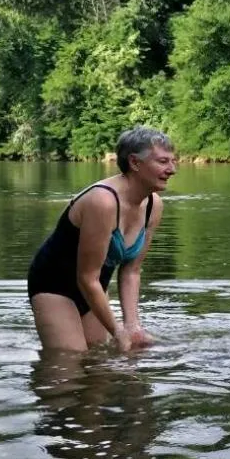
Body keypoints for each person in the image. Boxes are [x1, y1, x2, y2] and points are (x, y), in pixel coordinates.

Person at [28, 126, 176, 354]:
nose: (172, 169)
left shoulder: (153, 206)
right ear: (134, 162)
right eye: (163, 161)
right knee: (70, 360)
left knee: (99, 358)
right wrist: (118, 331)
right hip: (54, 285)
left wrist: (132, 327)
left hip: (95, 285)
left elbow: (131, 271)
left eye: (173, 161)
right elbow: (86, 277)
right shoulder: (103, 202)